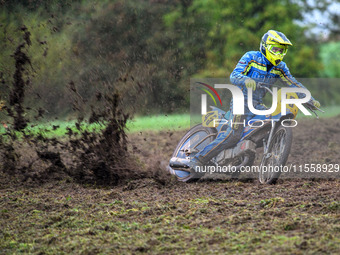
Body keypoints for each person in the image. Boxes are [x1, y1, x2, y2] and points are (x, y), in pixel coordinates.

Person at [171, 30, 320, 174]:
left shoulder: (280, 67)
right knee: (233, 135)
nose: (279, 54)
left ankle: (241, 157)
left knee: (268, 124)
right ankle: (197, 159)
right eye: (276, 49)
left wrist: (309, 98)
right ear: (265, 47)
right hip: (240, 100)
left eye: (282, 51)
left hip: (257, 105)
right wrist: (246, 79)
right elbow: (234, 75)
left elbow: (293, 83)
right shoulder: (251, 57)